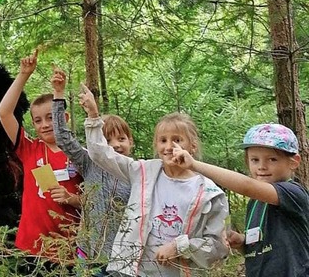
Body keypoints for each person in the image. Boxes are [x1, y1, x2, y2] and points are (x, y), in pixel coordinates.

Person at [83, 87, 229, 277]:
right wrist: (94, 117)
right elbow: (101, 155)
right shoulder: (144, 172)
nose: (169, 147)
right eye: (163, 140)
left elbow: (218, 246)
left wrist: (180, 247)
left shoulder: (209, 192)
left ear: (192, 146)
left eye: (177, 140)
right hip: (132, 271)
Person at [173, 122, 309, 277]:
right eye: (255, 160)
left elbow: (247, 186)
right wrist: (241, 243)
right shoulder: (255, 202)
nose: (262, 166)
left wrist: (195, 165)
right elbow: (261, 248)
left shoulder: (293, 193)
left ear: (294, 162)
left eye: (272, 159)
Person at [0, 49, 83, 272]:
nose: (44, 124)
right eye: (37, 120)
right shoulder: (30, 149)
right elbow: (4, 113)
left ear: (63, 118)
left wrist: (73, 199)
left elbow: (95, 201)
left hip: (68, 249)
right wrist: (23, 75)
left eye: (50, 118)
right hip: (32, 248)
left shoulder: (80, 154)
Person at [51, 70, 132, 276]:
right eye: (108, 140)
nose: (115, 145)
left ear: (130, 142)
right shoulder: (90, 162)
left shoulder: (137, 172)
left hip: (123, 259)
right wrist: (59, 94)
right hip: (89, 255)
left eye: (121, 139)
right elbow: (62, 138)